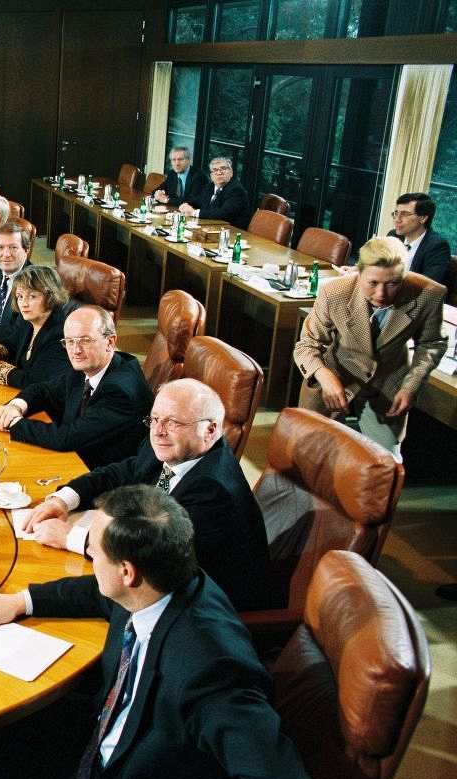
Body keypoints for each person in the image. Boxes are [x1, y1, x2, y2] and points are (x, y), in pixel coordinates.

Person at [0, 486, 312, 779]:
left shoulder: (208, 669)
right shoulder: (159, 581)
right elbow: (98, 592)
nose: (88, 554)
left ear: (126, 571)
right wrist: (21, 601)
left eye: (94, 549)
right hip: (111, 739)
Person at [22, 378, 274, 611]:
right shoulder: (175, 448)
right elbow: (122, 472)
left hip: (200, 612)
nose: (158, 431)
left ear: (210, 430)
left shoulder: (214, 492)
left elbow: (149, 562)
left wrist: (73, 538)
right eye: (154, 419)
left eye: (172, 422)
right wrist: (63, 499)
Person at [293, 235, 447, 460]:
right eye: (372, 283)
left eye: (393, 283)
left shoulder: (430, 294)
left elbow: (432, 343)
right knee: (307, 454)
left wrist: (411, 386)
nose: (381, 294)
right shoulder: (334, 292)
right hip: (335, 373)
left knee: (387, 463)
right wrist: (324, 375)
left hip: (388, 381)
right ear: (358, 272)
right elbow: (307, 344)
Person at [0, 305, 152, 468]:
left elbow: (68, 438)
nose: (76, 350)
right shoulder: (88, 366)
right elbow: (44, 390)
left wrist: (14, 423)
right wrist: (16, 406)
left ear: (110, 342)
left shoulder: (120, 390)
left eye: (85, 340)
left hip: (103, 477)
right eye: (70, 341)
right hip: (76, 461)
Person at [0, 266, 76, 388]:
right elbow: (12, 343)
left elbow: (37, 380)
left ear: (50, 296)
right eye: (20, 296)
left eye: (32, 296)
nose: (24, 303)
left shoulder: (60, 334)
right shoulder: (29, 322)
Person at [387, 192, 451, 284]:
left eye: (404, 214)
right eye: (396, 213)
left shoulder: (437, 246)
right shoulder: (393, 235)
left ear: (423, 218)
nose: (397, 219)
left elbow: (429, 286)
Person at [179, 156, 249, 229]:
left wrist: (194, 212)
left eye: (223, 169)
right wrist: (186, 204)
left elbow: (223, 213)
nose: (219, 172)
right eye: (215, 170)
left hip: (232, 232)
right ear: (211, 175)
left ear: (231, 173)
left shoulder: (236, 190)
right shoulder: (210, 186)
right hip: (211, 228)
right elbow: (198, 200)